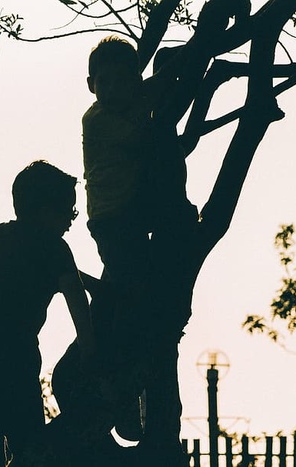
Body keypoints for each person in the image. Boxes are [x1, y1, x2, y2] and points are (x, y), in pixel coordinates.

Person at [80, 0, 250, 461]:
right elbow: (151, 117)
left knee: (139, 295)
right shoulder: (98, 121)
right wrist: (191, 63)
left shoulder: (126, 104)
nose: (115, 89)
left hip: (134, 213)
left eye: (123, 79)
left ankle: (133, 389)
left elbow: (154, 94)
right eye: (106, 82)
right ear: (91, 87)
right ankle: (125, 387)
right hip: (115, 222)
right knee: (136, 296)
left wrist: (190, 61)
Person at [0, 160, 96, 467]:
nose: (71, 219)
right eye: (69, 210)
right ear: (45, 210)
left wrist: (96, 286)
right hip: (10, 361)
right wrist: (93, 360)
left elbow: (57, 274)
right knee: (31, 452)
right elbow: (78, 306)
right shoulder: (56, 249)